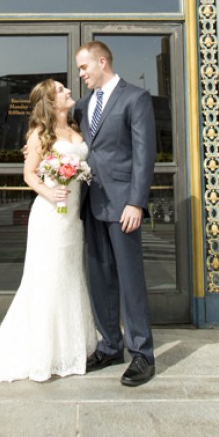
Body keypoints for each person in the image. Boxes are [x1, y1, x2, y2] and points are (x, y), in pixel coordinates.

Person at [0, 79, 97, 382]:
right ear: (51, 102)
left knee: (69, 275)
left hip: (72, 217)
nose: (68, 92)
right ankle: (42, 351)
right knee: (47, 278)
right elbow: (28, 174)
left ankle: (71, 347)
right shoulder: (40, 134)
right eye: (62, 91)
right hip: (51, 214)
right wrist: (49, 193)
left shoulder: (78, 128)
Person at [74, 41, 156, 387]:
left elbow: (144, 154)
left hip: (124, 205)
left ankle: (142, 354)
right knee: (100, 278)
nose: (81, 75)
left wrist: (136, 202)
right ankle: (109, 346)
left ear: (102, 61)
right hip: (92, 203)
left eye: (84, 68)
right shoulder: (83, 105)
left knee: (130, 280)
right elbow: (53, 119)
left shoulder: (135, 99)